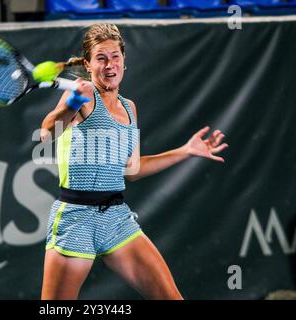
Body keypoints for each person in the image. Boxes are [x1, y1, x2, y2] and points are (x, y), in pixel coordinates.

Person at [39, 23, 228, 300]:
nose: (109, 64)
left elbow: (133, 170)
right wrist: (69, 107)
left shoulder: (130, 108)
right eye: (101, 58)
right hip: (76, 218)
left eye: (115, 56)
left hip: (117, 218)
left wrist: (186, 151)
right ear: (89, 65)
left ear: (124, 61)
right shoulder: (82, 97)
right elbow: (45, 135)